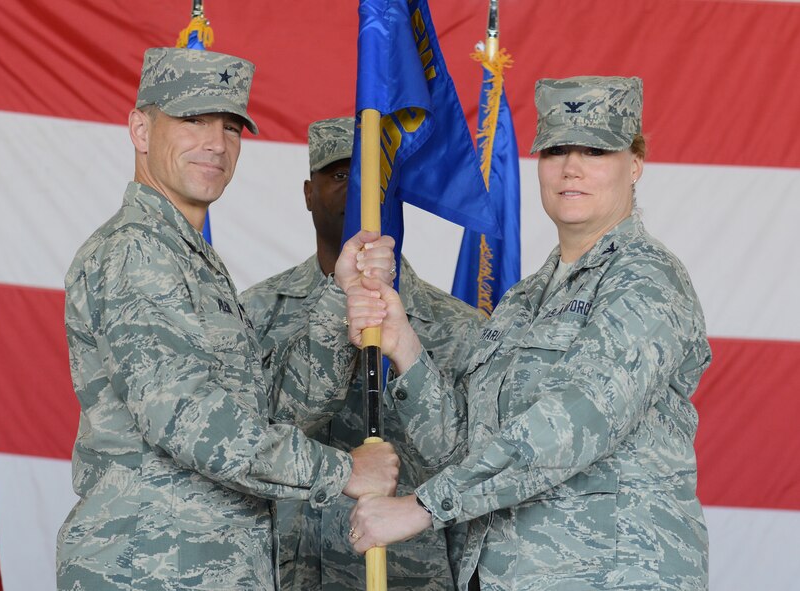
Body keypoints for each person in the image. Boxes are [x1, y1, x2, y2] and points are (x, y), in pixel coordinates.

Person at [344, 76, 711, 590]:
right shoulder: (523, 300)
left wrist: (423, 507)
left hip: (613, 573)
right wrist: (404, 345)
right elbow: (465, 448)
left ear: (635, 164)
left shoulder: (647, 279)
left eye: (596, 151)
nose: (571, 168)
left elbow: (576, 421)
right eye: (556, 149)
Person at [56, 48, 400, 591]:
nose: (216, 143)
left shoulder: (188, 257)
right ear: (140, 130)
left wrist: (341, 299)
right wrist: (342, 472)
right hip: (151, 568)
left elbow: (273, 414)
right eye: (192, 121)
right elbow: (191, 420)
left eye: (230, 127)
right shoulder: (134, 252)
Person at [239, 117, 484, 590]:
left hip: (410, 575)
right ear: (308, 193)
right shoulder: (255, 314)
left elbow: (476, 467)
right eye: (339, 175)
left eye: (373, 179)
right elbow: (244, 441)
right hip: (286, 574)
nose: (358, 190)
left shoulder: (460, 327)